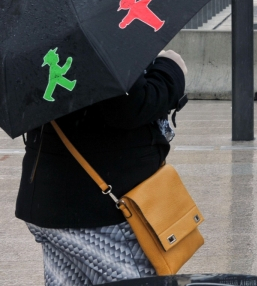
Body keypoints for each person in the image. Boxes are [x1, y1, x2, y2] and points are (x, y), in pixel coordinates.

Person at [15, 49, 188, 285]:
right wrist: (170, 69)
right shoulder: (97, 41)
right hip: (100, 209)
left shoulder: (38, 38)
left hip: (48, 198)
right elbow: (131, 106)